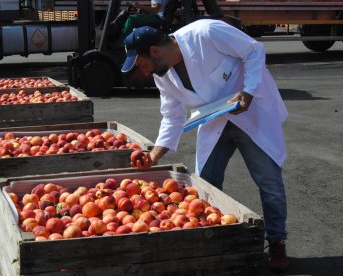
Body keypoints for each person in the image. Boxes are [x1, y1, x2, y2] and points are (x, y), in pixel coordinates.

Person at [121, 21, 289, 273]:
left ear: (155, 51)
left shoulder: (205, 33)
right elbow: (172, 116)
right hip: (214, 120)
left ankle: (277, 241)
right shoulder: (163, 75)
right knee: (206, 185)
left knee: (268, 179)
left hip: (250, 113)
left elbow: (253, 50)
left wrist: (249, 91)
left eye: (142, 65)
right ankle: (214, 243)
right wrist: (154, 154)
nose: (144, 72)